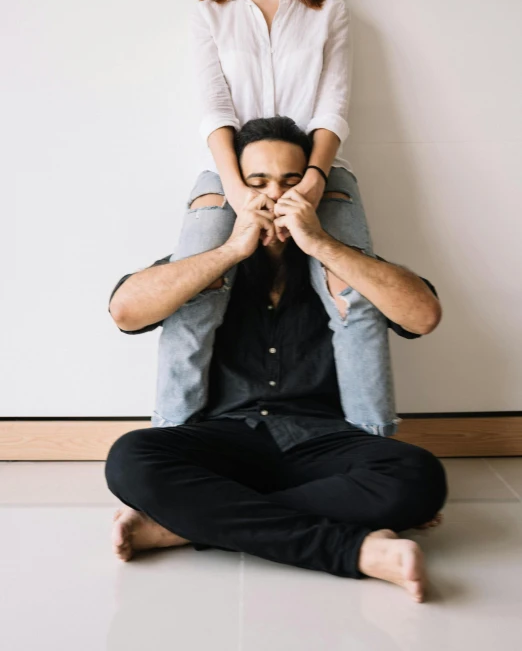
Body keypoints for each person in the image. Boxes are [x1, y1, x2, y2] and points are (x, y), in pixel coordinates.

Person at [105, 117, 447, 603]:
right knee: (130, 460)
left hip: (325, 443)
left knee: (420, 477)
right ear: (235, 188)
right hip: (225, 439)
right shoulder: (204, 260)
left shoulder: (342, 263)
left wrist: (320, 243)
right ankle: (353, 550)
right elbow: (124, 311)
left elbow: (424, 315)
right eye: (257, 182)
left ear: (312, 186)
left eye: (290, 182)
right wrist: (231, 249)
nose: (274, 196)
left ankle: (181, 526)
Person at [177, 0, 399, 437]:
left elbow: (333, 108)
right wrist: (235, 188)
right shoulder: (210, 14)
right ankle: (168, 448)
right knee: (191, 297)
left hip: (317, 168)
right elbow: (213, 110)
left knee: (358, 296)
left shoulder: (330, 13)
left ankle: (377, 449)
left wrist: (316, 178)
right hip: (229, 169)